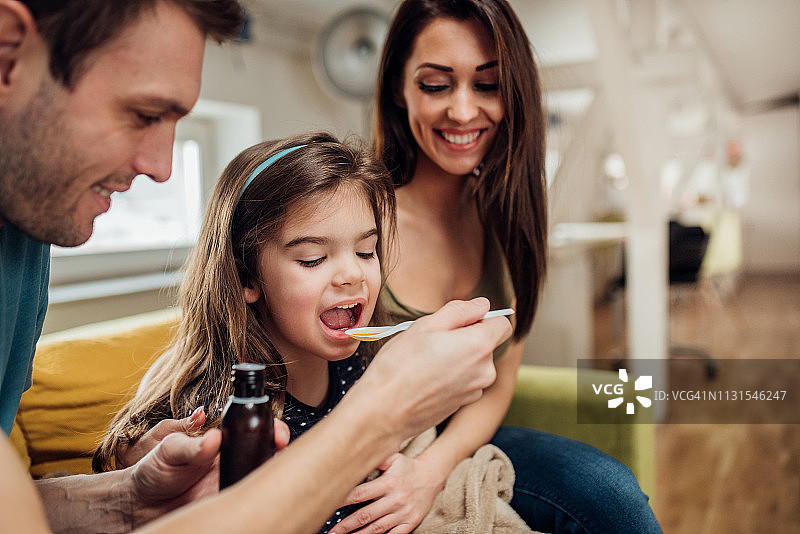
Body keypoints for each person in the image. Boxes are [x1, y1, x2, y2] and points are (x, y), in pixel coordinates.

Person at [0, 2, 511, 533]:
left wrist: (127, 496)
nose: (162, 167)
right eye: (144, 114)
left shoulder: (24, 245)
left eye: (367, 251)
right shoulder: (227, 404)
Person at [360, 1, 664, 533]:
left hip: (468, 435)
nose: (462, 110)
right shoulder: (358, 218)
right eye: (435, 85)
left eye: (487, 85)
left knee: (614, 498)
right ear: (397, 89)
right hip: (371, 445)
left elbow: (499, 381)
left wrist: (433, 469)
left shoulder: (507, 219)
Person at [97, 132, 394, 533]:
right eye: (313, 259)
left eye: (366, 251)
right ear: (246, 276)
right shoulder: (229, 413)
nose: (353, 274)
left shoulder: (368, 363)